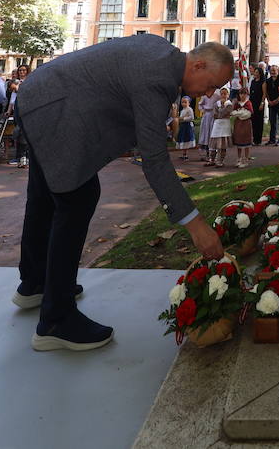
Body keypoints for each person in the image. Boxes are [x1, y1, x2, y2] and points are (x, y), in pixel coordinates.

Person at [14, 37, 232, 351]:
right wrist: (196, 225)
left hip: (40, 95)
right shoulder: (158, 79)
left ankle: (35, 282)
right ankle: (56, 320)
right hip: (50, 108)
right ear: (197, 65)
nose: (209, 93)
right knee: (77, 198)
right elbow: (154, 158)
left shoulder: (162, 52)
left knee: (44, 194)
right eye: (211, 84)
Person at [5, 63, 31, 166]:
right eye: (20, 70)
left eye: (24, 70)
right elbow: (12, 100)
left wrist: (16, 88)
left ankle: (26, 156)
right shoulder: (15, 82)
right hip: (17, 111)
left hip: (26, 110)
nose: (22, 72)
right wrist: (8, 110)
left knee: (25, 134)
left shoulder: (29, 82)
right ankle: (19, 156)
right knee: (18, 134)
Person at [205, 86, 233, 168]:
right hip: (217, 125)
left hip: (225, 125)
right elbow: (215, 115)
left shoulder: (229, 104)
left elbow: (224, 113)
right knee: (213, 144)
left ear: (228, 94)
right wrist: (220, 113)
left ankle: (220, 161)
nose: (223, 95)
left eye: (225, 94)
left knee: (222, 145)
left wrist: (222, 108)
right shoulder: (216, 103)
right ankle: (211, 159)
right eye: (222, 94)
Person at [265, 64, 279, 146]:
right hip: (271, 104)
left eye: (274, 70)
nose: (273, 72)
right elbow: (266, 92)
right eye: (271, 71)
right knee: (272, 122)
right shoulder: (268, 80)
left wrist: (277, 100)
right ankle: (272, 139)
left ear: (277, 71)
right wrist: (269, 101)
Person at [231, 89, 253, 168]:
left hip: (246, 124)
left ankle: (246, 159)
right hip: (238, 124)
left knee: (246, 142)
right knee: (239, 142)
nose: (243, 95)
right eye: (241, 94)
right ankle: (239, 159)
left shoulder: (248, 103)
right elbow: (233, 113)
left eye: (244, 94)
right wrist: (240, 113)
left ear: (247, 95)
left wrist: (239, 113)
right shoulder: (237, 103)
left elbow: (248, 114)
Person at [248, 65, 267, 147]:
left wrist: (262, 103)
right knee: (253, 121)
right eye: (254, 72)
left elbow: (264, 94)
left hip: (259, 102)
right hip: (252, 102)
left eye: (256, 72)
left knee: (259, 121)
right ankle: (253, 138)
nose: (255, 74)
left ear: (260, 73)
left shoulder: (263, 82)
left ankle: (258, 140)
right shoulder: (253, 81)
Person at [196, 89, 217, 157]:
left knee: (212, 131)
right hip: (206, 115)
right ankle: (205, 150)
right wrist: (202, 110)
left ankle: (213, 150)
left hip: (213, 115)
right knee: (205, 131)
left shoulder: (216, 96)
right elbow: (200, 104)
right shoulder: (204, 96)